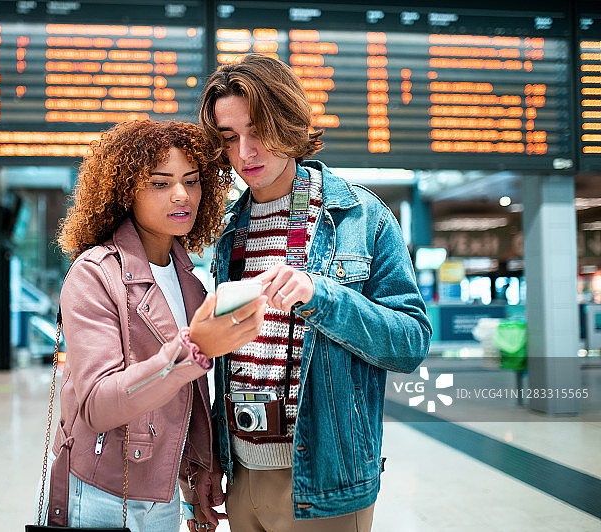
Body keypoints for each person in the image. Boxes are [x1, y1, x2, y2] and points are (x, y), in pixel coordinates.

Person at [197, 54, 432, 531]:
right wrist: (212, 458)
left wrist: (323, 296)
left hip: (324, 483)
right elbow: (226, 360)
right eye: (229, 137)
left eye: (258, 129)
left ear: (287, 120)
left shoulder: (358, 217)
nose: (245, 153)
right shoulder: (227, 232)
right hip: (241, 476)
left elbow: (411, 343)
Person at [47, 120, 267, 532]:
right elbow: (96, 405)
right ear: (125, 191)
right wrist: (191, 351)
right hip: (100, 490)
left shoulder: (191, 283)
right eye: (160, 183)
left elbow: (187, 398)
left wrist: (197, 471)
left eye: (192, 180)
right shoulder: (94, 274)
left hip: (162, 494)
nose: (182, 195)